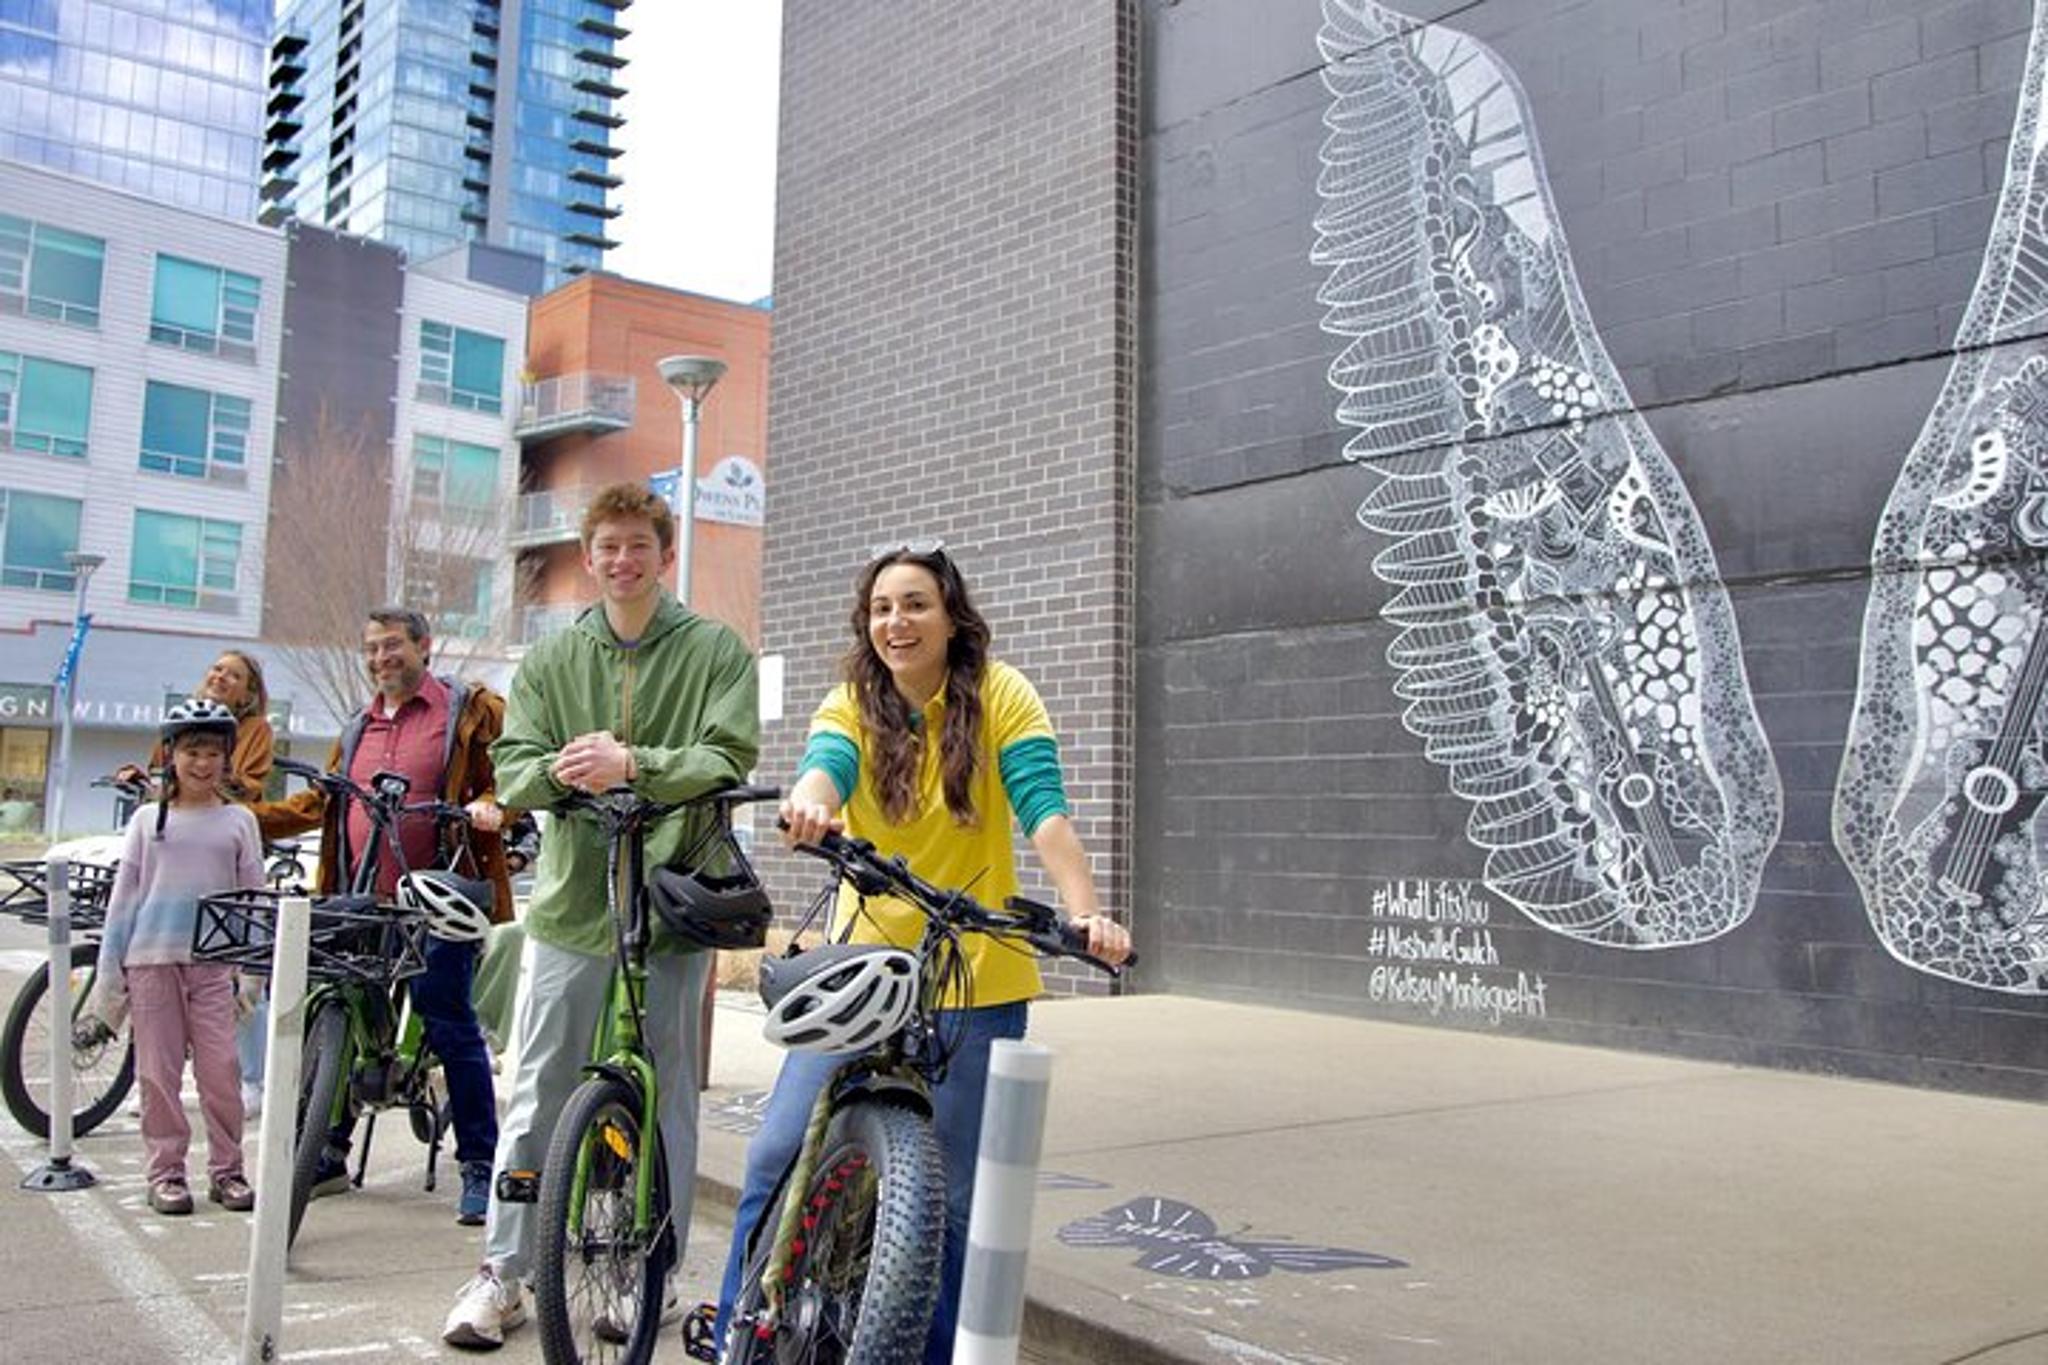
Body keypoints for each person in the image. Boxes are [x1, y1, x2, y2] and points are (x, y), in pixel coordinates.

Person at [707, 542, 1131, 1364]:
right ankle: (738, 1333)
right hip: (862, 968)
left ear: (951, 616)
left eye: (915, 604)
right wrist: (809, 804)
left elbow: (1044, 811)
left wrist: (1088, 915)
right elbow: (826, 769)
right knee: (776, 1152)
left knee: (957, 1200)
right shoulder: (850, 701)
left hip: (977, 975)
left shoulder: (1002, 694)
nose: (896, 622)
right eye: (882, 609)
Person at [442, 482, 759, 1351]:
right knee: (539, 1089)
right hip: (572, 905)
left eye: (638, 545)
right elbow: (511, 772)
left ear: (664, 554)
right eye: (607, 546)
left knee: (669, 1102)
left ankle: (654, 1272)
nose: (622, 560)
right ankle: (503, 1273)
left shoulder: (714, 651)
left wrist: (636, 764)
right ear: (589, 559)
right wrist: (567, 773)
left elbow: (728, 754)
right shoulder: (550, 662)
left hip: (673, 907)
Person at [254, 607, 513, 1226]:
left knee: (449, 1023)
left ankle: (479, 1162)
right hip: (361, 894)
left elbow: (500, 781)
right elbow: (322, 801)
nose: (380, 658)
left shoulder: (466, 710)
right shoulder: (357, 725)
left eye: (392, 645)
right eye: (371, 648)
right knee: (345, 1004)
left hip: (437, 899)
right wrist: (248, 817)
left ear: (423, 646)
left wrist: (489, 806)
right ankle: (328, 1148)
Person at [94, 698, 264, 1216]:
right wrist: (110, 978)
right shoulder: (148, 820)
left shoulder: (239, 821)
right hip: (151, 962)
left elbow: (252, 899)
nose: (202, 763)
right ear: (171, 755)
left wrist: (251, 976)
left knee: (221, 1071)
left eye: (213, 752)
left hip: (214, 966)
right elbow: (123, 901)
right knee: (157, 1075)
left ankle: (227, 1170)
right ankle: (166, 1173)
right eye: (192, 751)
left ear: (228, 758)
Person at [115, 650, 276, 1113]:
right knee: (153, 972)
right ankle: (150, 1076)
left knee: (235, 954)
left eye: (236, 675)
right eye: (218, 669)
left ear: (250, 691)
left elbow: (248, 783)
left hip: (224, 842)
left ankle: (252, 1079)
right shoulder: (179, 722)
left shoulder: (254, 731)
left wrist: (214, 787)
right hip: (173, 835)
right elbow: (162, 773)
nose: (222, 677)